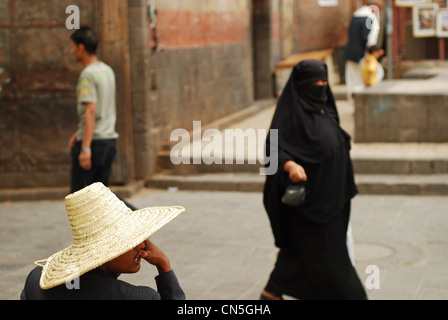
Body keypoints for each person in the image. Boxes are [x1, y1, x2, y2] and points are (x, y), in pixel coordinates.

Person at [261, 60, 367, 300]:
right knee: (340, 275)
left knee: (297, 256)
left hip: (334, 203)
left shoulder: (326, 109)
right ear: (300, 85)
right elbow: (272, 150)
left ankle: (271, 294)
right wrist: (290, 165)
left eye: (324, 81)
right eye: (314, 83)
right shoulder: (289, 117)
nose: (320, 87)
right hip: (311, 209)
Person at [21, 182, 186, 300]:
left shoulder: (36, 281)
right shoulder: (140, 297)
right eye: (132, 240)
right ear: (108, 249)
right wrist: (164, 265)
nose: (143, 245)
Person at [68, 26, 119, 195]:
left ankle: (134, 215)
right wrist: (79, 132)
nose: (71, 51)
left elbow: (91, 110)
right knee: (100, 198)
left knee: (79, 198)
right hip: (108, 141)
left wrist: (85, 148)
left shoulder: (87, 75)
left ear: (81, 47)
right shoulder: (107, 70)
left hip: (94, 144)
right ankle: (134, 216)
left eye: (73, 47)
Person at [343, 0, 384, 100]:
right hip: (363, 56)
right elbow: (369, 39)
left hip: (350, 54)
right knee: (375, 74)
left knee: (353, 81)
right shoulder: (370, 18)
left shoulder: (356, 15)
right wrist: (372, 55)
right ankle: (365, 103)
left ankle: (353, 103)